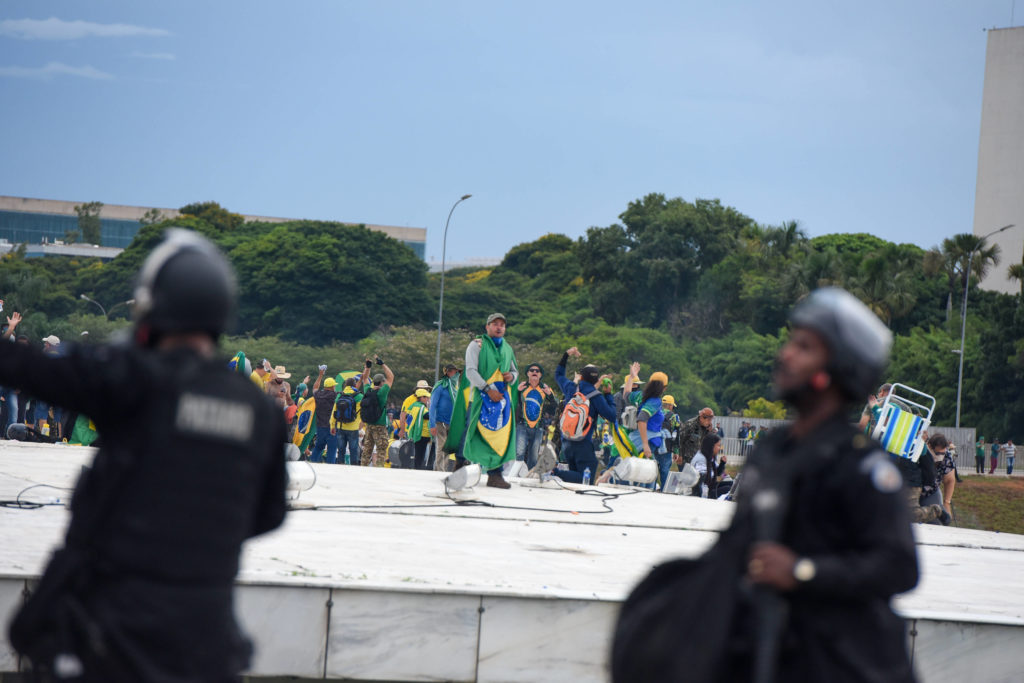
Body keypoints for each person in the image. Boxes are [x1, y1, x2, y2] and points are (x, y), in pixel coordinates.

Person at [4, 228, 287, 681]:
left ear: (154, 309)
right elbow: (271, 513)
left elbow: (27, 368)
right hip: (207, 642)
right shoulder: (259, 409)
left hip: (111, 635)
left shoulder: (136, 378)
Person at [613, 287, 919, 682]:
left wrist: (804, 570)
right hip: (768, 651)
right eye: (792, 342)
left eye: (804, 347)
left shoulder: (863, 467)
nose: (786, 354)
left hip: (839, 662)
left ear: (839, 370)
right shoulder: (773, 451)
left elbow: (899, 566)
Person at [447, 313, 520, 488]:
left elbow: (515, 372)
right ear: (487, 327)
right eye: (495, 324)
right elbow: (471, 371)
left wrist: (512, 376)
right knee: (471, 432)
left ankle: (495, 475)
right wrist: (487, 389)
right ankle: (460, 466)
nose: (499, 327)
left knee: (499, 436)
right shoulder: (476, 345)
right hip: (479, 398)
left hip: (500, 401)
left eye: (502, 324)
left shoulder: (507, 349)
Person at [554, 346, 617, 484]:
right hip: (583, 443)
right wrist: (608, 395)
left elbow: (558, 375)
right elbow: (612, 416)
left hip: (567, 442)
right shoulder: (596, 396)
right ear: (596, 381)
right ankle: (553, 472)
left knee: (575, 478)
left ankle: (556, 474)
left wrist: (566, 355)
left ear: (581, 377)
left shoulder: (571, 388)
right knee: (586, 477)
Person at [631, 371, 670, 491]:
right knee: (646, 479)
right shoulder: (655, 401)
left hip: (638, 441)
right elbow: (642, 419)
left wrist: (631, 377)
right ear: (664, 388)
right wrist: (645, 444)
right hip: (647, 444)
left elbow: (626, 394)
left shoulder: (640, 396)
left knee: (643, 477)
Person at [515, 363, 557, 469]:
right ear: (527, 373)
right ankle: (515, 478)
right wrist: (517, 392)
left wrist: (550, 395)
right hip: (522, 425)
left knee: (533, 457)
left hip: (538, 427)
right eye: (532, 370)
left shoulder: (545, 388)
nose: (534, 372)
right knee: (519, 454)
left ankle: (529, 479)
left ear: (540, 375)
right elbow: (514, 403)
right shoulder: (522, 387)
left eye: (537, 371)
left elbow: (555, 407)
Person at [359, 361, 394, 467]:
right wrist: (383, 364)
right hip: (380, 425)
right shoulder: (382, 392)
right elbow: (391, 377)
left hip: (369, 425)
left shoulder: (368, 390)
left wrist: (368, 367)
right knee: (381, 450)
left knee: (367, 450)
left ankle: (363, 468)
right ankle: (379, 469)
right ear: (382, 382)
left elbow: (364, 378)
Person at [430, 364, 460, 472]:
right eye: (454, 372)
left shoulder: (455, 388)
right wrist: (432, 424)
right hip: (440, 421)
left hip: (451, 422)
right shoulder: (440, 386)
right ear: (447, 372)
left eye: (457, 372)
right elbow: (432, 405)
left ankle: (443, 469)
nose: (456, 374)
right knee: (441, 446)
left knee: (448, 448)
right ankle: (439, 469)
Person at [333, 377, 363, 466]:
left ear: (345, 385)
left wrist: (332, 425)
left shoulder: (339, 395)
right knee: (353, 450)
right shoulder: (359, 396)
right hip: (353, 427)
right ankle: (354, 468)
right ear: (354, 385)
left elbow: (334, 412)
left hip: (340, 426)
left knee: (341, 450)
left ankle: (340, 468)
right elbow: (362, 412)